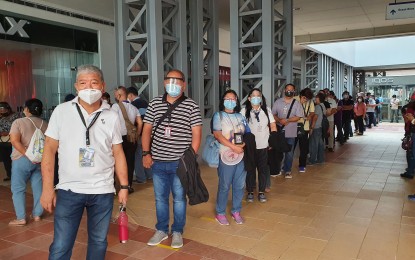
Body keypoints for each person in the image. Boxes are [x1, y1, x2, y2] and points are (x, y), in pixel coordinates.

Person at [40, 64, 129, 259]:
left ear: (102, 86)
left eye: (94, 83)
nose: (89, 87)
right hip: (69, 190)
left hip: (102, 190)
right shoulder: (61, 112)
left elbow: (118, 152)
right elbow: (49, 150)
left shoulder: (112, 116)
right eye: (83, 83)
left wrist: (124, 186)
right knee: (61, 245)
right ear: (76, 86)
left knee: (98, 242)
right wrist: (47, 188)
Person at [142, 69, 202, 248]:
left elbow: (196, 133)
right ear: (164, 82)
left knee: (178, 198)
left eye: (178, 81)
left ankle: (177, 231)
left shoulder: (191, 105)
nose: (173, 84)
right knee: (160, 198)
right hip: (158, 161)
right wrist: (146, 153)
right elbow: (146, 130)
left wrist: (189, 159)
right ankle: (161, 230)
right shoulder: (154, 104)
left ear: (184, 84)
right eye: (170, 80)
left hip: (179, 163)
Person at [8, 98, 48, 226]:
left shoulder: (18, 122)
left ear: (26, 109)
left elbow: (14, 141)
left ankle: (21, 218)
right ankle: (37, 214)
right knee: (38, 188)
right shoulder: (45, 124)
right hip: (39, 161)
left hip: (21, 160)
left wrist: (27, 154)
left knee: (18, 188)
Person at [212, 89, 249, 224]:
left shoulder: (240, 116)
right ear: (223, 101)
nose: (230, 101)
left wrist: (243, 144)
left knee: (239, 185)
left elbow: (247, 132)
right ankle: (220, 213)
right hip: (225, 155)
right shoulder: (218, 116)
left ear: (237, 101)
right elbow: (218, 135)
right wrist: (233, 147)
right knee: (224, 185)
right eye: (227, 98)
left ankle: (236, 211)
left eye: (233, 99)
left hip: (241, 155)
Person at [241, 88, 276, 203]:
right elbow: (238, 127)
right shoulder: (244, 111)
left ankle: (261, 192)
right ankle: (250, 191)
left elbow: (273, 125)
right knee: (250, 169)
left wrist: (272, 140)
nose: (256, 98)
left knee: (262, 170)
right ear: (249, 98)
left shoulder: (266, 110)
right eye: (253, 96)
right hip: (249, 147)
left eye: (258, 96)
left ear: (261, 98)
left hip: (263, 145)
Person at [112, 86, 143, 193]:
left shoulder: (114, 107)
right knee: (130, 162)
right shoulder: (134, 108)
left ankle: (115, 186)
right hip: (131, 139)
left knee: (116, 162)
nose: (115, 97)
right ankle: (128, 186)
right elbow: (140, 123)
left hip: (118, 139)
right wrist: (137, 134)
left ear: (119, 95)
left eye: (116, 95)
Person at [271, 84, 304, 178]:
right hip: (279, 130)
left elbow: (298, 117)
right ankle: (278, 168)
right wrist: (279, 120)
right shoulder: (278, 102)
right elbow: (273, 114)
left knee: (289, 151)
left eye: (291, 90)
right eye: (287, 89)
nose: (289, 91)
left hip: (291, 130)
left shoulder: (296, 103)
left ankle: (287, 170)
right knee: (278, 150)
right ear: (284, 90)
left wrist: (288, 120)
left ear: (294, 91)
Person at [126, 86, 152, 183]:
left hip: (140, 134)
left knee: (138, 155)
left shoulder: (133, 105)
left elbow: (137, 122)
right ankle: (149, 175)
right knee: (145, 153)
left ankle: (141, 178)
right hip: (148, 133)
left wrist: (137, 134)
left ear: (130, 95)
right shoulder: (145, 102)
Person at [295, 88, 315, 173]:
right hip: (293, 126)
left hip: (304, 127)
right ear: (301, 95)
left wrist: (309, 117)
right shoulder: (295, 99)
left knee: (303, 147)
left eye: (308, 98)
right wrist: (300, 103)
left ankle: (302, 165)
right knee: (290, 147)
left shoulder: (310, 102)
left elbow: (312, 112)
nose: (306, 100)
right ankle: (285, 166)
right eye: (305, 98)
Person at [0, 102, 20, 181]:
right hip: (2, 141)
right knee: (5, 159)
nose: (1, 111)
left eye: (2, 109)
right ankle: (10, 175)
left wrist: (7, 132)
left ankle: (18, 175)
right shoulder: (1, 117)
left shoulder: (15, 116)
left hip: (12, 140)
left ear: (7, 108)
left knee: (15, 159)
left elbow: (18, 127)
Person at [308, 93, 326, 165]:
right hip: (320, 126)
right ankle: (320, 159)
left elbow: (315, 118)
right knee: (320, 144)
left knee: (314, 144)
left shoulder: (318, 107)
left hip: (316, 127)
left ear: (320, 99)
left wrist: (311, 127)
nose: (315, 99)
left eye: (316, 98)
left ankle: (312, 160)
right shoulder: (323, 106)